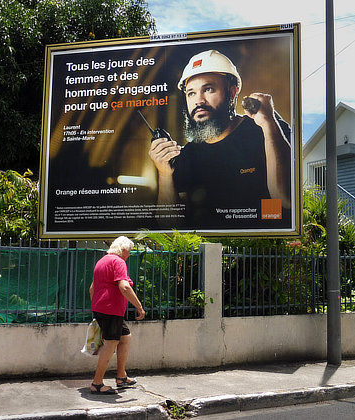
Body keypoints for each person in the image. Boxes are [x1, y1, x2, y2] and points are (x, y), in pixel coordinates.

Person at [148, 49, 292, 229]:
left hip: (263, 245)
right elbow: (172, 227)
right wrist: (164, 174)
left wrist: (269, 123)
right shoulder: (188, 155)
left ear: (232, 93)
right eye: (191, 93)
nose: (198, 101)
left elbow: (285, 198)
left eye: (208, 89)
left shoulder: (267, 128)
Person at [89, 236, 145, 395]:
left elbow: (92, 288)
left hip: (103, 308)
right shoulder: (118, 262)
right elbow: (124, 287)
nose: (130, 254)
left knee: (125, 337)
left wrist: (97, 306)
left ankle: (121, 376)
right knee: (111, 344)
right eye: (129, 251)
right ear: (123, 249)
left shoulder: (102, 261)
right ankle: (97, 383)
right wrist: (139, 307)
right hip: (111, 309)